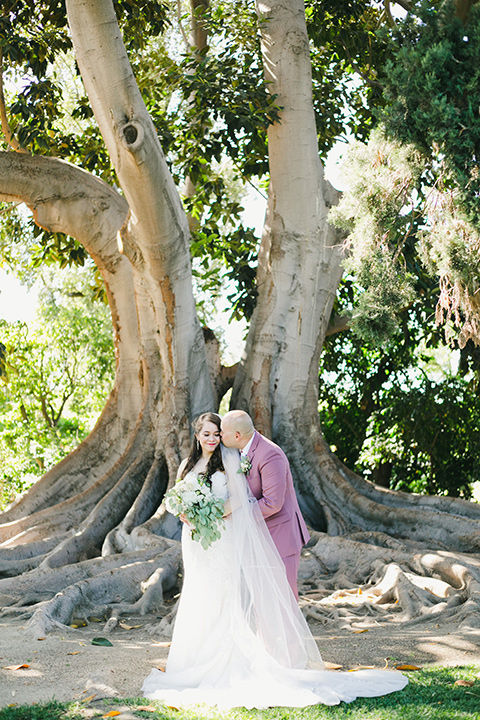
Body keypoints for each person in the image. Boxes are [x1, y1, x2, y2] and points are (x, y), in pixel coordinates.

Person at [142, 412, 408, 710]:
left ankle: (282, 661)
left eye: (217, 433)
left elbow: (249, 499)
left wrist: (215, 514)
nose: (213, 439)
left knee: (254, 597)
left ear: (229, 436)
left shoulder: (235, 460)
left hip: (231, 537)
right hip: (196, 542)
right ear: (196, 435)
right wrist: (187, 513)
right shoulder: (188, 465)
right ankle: (192, 660)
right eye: (207, 434)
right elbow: (177, 497)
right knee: (200, 597)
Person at [220, 409, 308, 599]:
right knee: (263, 601)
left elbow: (272, 503)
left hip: (281, 537)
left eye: (222, 431)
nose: (219, 435)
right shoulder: (241, 451)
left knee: (284, 599)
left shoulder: (269, 454)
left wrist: (235, 516)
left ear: (236, 435)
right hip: (260, 537)